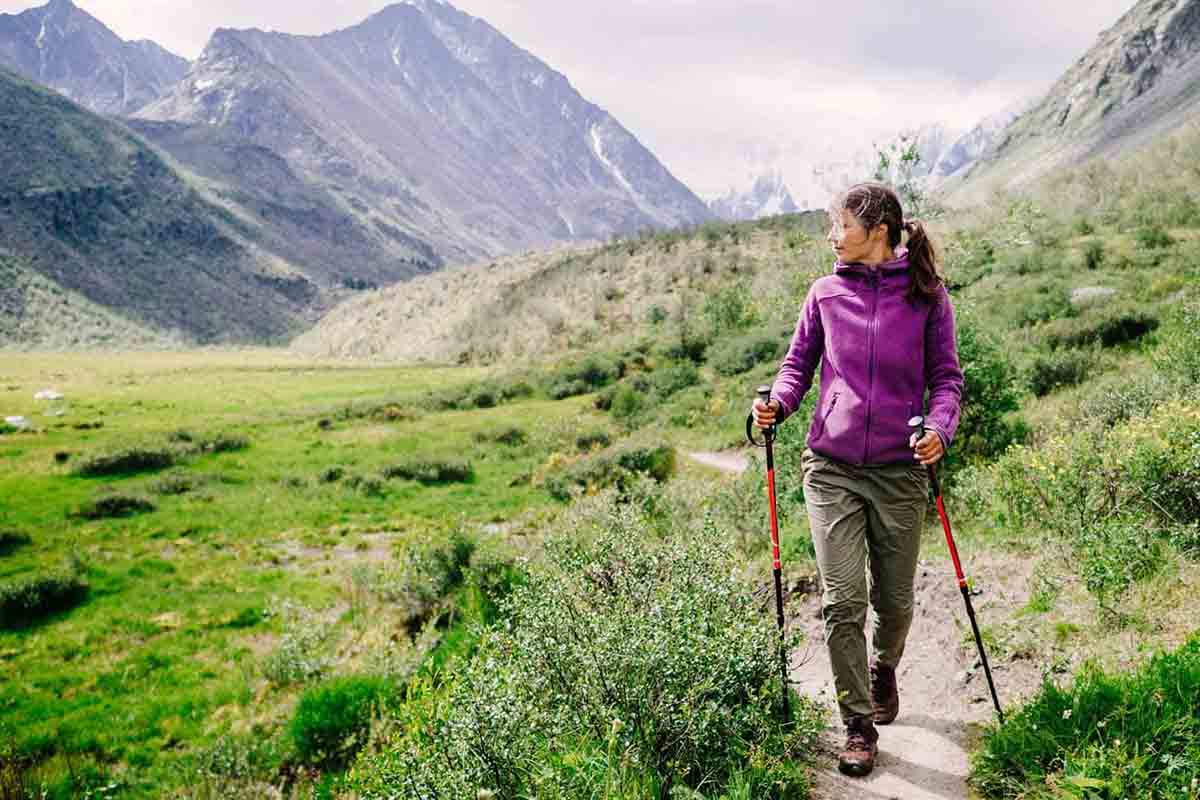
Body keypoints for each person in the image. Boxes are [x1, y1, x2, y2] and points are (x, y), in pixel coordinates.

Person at [752, 182, 963, 778]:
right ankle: (858, 725)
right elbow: (798, 366)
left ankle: (885, 666)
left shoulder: (927, 297)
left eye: (839, 225)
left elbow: (947, 380)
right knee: (844, 600)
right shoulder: (823, 293)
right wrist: (778, 404)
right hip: (832, 469)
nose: (831, 236)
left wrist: (939, 430)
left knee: (893, 605)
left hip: (900, 471)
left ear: (876, 231)